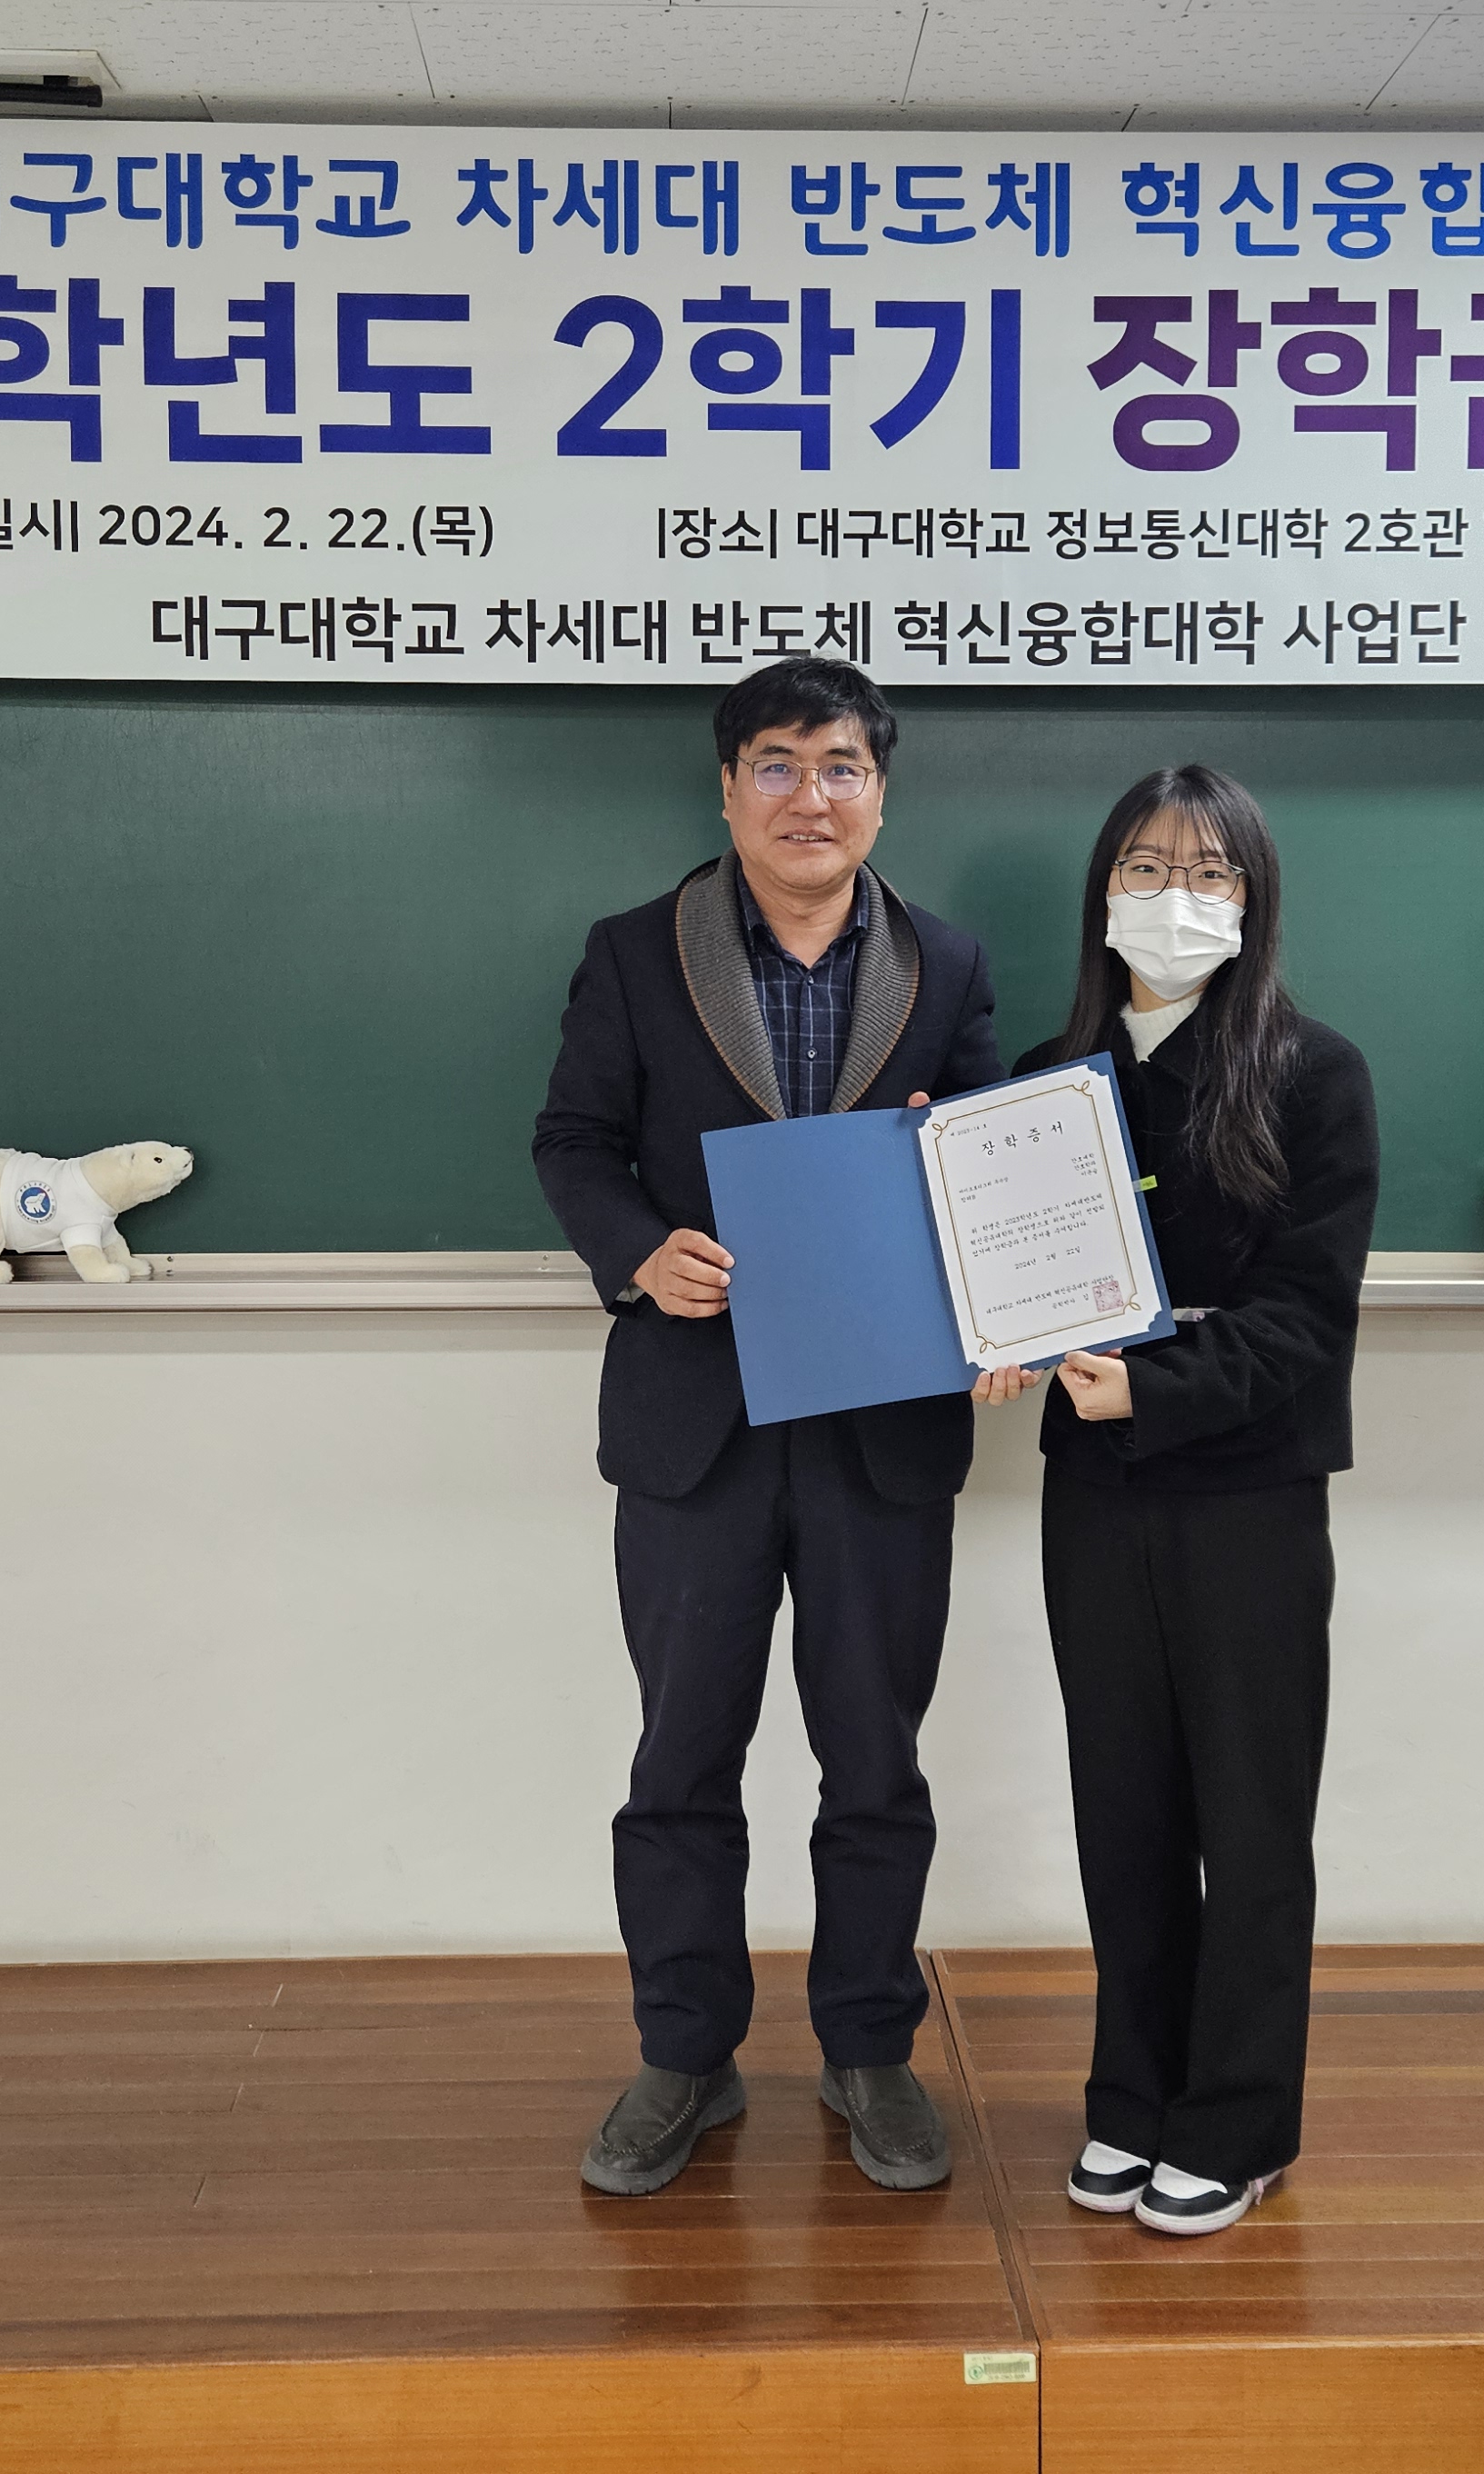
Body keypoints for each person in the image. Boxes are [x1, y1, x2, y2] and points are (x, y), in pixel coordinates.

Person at [533, 656, 1002, 2198]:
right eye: (780, 765)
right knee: (682, 1760)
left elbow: (994, 1169)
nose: (814, 796)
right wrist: (635, 1252)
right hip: (698, 1425)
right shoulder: (633, 953)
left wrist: (977, 1239)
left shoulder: (945, 964)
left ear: (883, 793)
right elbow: (574, 1141)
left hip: (882, 1428)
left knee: (875, 1763)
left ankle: (869, 2049)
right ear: (729, 788)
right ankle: (685, 2056)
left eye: (843, 766)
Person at [972, 764, 1379, 2239]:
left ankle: (1237, 2121)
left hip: (1248, 1486)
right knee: (1124, 1805)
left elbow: (1308, 1313)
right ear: (1103, 891)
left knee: (1251, 1815)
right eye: (1146, 866)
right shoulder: (1046, 1077)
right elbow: (1008, 1270)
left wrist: (1157, 1390)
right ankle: (1132, 2101)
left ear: (1252, 900)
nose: (1175, 896)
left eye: (1210, 872)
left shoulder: (1314, 1072)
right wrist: (992, 1339)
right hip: (1094, 1490)